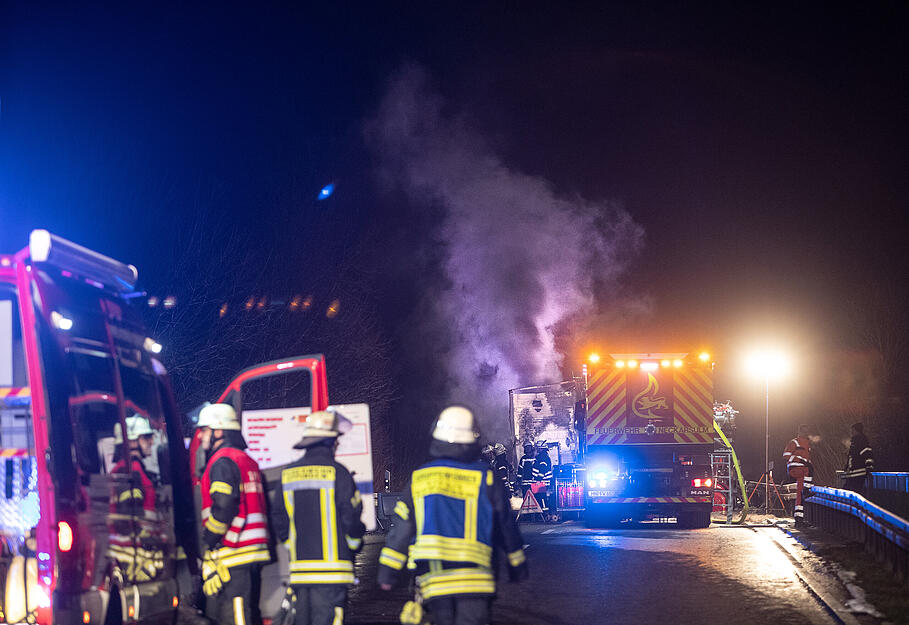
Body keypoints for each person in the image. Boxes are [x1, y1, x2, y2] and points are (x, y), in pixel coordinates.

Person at [377, 406, 528, 625]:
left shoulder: (420, 479)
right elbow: (505, 526)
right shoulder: (486, 478)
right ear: (471, 440)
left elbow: (402, 530)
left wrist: (387, 572)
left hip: (435, 580)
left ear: (437, 437)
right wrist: (518, 565)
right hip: (476, 581)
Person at [271, 410, 366, 625]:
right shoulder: (339, 473)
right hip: (333, 574)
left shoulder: (287, 474)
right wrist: (353, 545)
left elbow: (278, 517)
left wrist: (291, 544)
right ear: (330, 442)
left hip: (300, 571)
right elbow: (351, 518)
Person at [197, 403, 271, 625]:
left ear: (218, 431)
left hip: (234, 552)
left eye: (204, 430)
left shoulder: (222, 461)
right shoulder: (246, 460)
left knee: (237, 615)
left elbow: (224, 506)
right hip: (251, 551)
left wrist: (208, 543)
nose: (201, 437)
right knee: (249, 611)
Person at [783, 424, 814, 526]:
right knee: (810, 469)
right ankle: (807, 489)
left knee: (800, 496)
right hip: (796, 468)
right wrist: (800, 460)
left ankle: (799, 519)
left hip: (803, 470)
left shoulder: (807, 444)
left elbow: (807, 460)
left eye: (807, 431)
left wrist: (806, 463)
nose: (806, 433)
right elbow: (786, 455)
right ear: (800, 431)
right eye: (804, 431)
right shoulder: (794, 442)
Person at [842, 422, 875, 494]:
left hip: (858, 473)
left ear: (857, 431)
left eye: (853, 430)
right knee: (848, 492)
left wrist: (869, 467)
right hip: (853, 474)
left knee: (851, 492)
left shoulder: (861, 442)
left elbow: (868, 454)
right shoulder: (856, 442)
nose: (851, 432)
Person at [532, 441, 553, 514]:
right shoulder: (542, 457)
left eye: (538, 448)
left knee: (541, 497)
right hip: (542, 482)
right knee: (540, 497)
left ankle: (544, 513)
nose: (537, 450)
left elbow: (542, 469)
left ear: (541, 448)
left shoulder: (543, 457)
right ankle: (543, 512)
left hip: (542, 482)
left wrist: (538, 480)